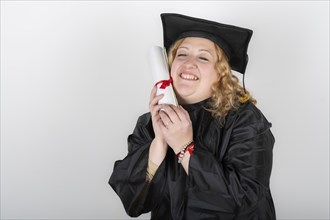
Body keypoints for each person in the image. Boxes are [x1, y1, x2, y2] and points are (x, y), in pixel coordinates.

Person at [109, 13, 276, 220]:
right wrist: (159, 142)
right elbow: (133, 203)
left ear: (221, 74)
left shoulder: (246, 121)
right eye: (182, 54)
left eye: (203, 57)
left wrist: (184, 147)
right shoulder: (150, 123)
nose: (189, 63)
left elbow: (241, 202)